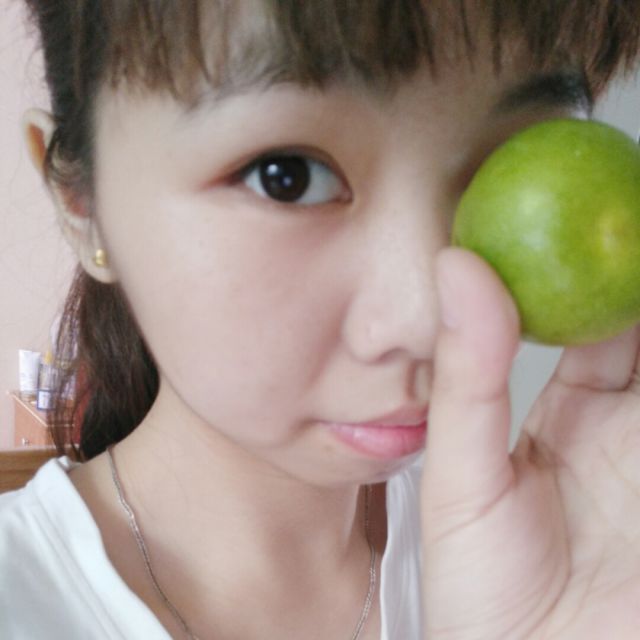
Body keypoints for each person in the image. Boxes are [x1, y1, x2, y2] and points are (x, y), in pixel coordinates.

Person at [2, 1, 640, 638]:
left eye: (505, 168)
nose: (428, 324)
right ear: (81, 202)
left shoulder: (554, 567)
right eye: (286, 177)